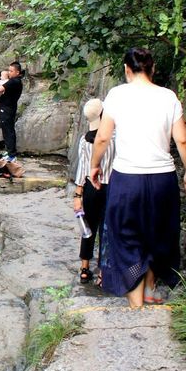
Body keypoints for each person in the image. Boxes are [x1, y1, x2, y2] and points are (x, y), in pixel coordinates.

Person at [90, 47, 186, 310]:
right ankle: (150, 290)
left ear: (127, 69)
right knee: (159, 234)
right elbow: (183, 139)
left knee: (127, 237)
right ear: (152, 69)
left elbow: (103, 137)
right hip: (163, 179)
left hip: (127, 179)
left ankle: (137, 304)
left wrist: (94, 166)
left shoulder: (117, 95)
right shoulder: (168, 96)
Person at [73, 98, 114, 286]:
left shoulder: (84, 140)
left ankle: (84, 268)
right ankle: (103, 272)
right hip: (110, 186)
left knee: (88, 228)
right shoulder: (114, 138)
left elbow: (82, 168)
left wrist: (78, 194)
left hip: (90, 187)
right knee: (106, 229)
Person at [0, 60, 23, 162]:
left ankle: (12, 154)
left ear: (17, 72)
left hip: (7, 109)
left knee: (8, 131)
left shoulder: (14, 81)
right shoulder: (15, 81)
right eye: (8, 71)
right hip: (9, 108)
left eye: (11, 71)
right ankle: (9, 151)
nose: (9, 73)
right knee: (8, 130)